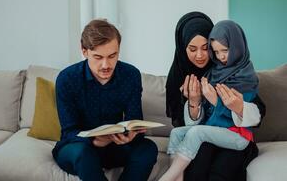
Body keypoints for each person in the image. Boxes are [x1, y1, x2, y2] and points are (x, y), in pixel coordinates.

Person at [52, 19, 158, 181]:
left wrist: (131, 136)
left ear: (118, 50)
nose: (105, 65)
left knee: (148, 148)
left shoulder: (131, 75)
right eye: (97, 57)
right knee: (82, 153)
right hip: (79, 147)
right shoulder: (67, 79)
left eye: (112, 56)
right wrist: (95, 141)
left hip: (115, 146)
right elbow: (69, 132)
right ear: (84, 51)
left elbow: (134, 120)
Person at [165, 12, 266, 181]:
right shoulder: (179, 77)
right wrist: (194, 103)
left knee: (221, 170)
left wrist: (236, 107)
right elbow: (187, 129)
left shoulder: (235, 71)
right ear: (182, 47)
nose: (200, 55)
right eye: (192, 48)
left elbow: (258, 112)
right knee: (196, 168)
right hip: (204, 137)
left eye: (206, 48)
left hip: (234, 137)